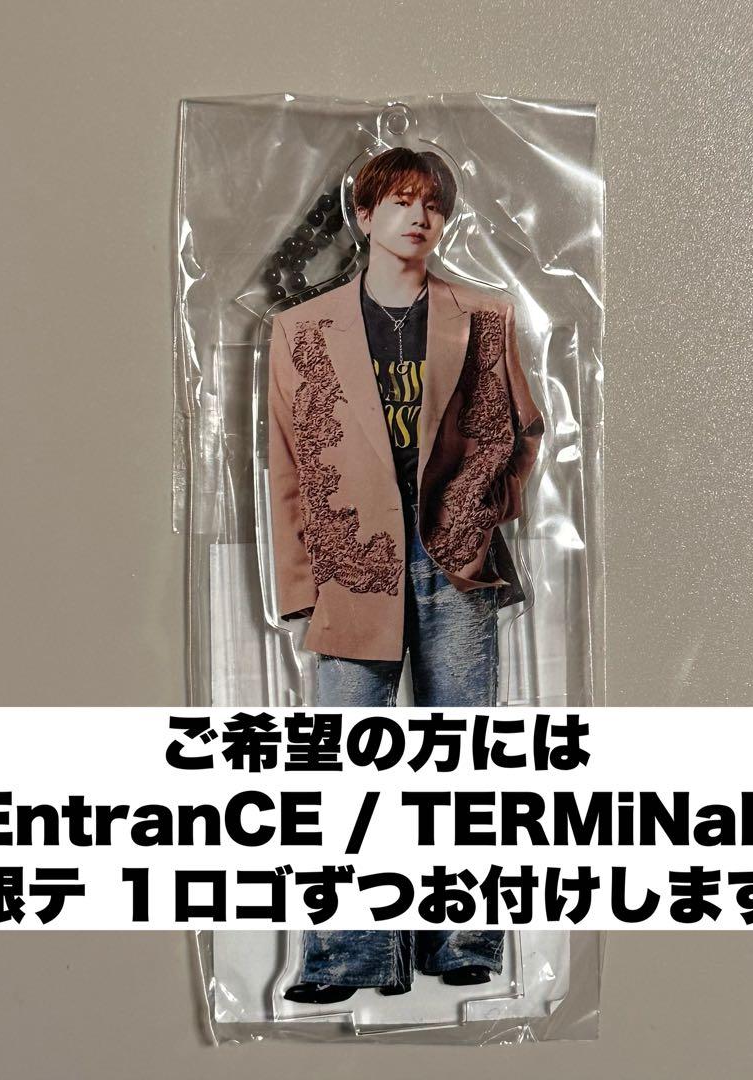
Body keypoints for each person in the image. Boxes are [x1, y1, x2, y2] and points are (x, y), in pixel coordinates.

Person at [266, 147, 544, 1003]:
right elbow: (287, 466)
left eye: (431, 204)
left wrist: (481, 513)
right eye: (398, 202)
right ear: (364, 216)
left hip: (454, 562)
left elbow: (522, 433)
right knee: (347, 765)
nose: (417, 217)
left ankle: (462, 942)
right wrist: (300, 586)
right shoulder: (302, 328)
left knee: (461, 758)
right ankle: (349, 956)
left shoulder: (485, 315)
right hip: (353, 562)